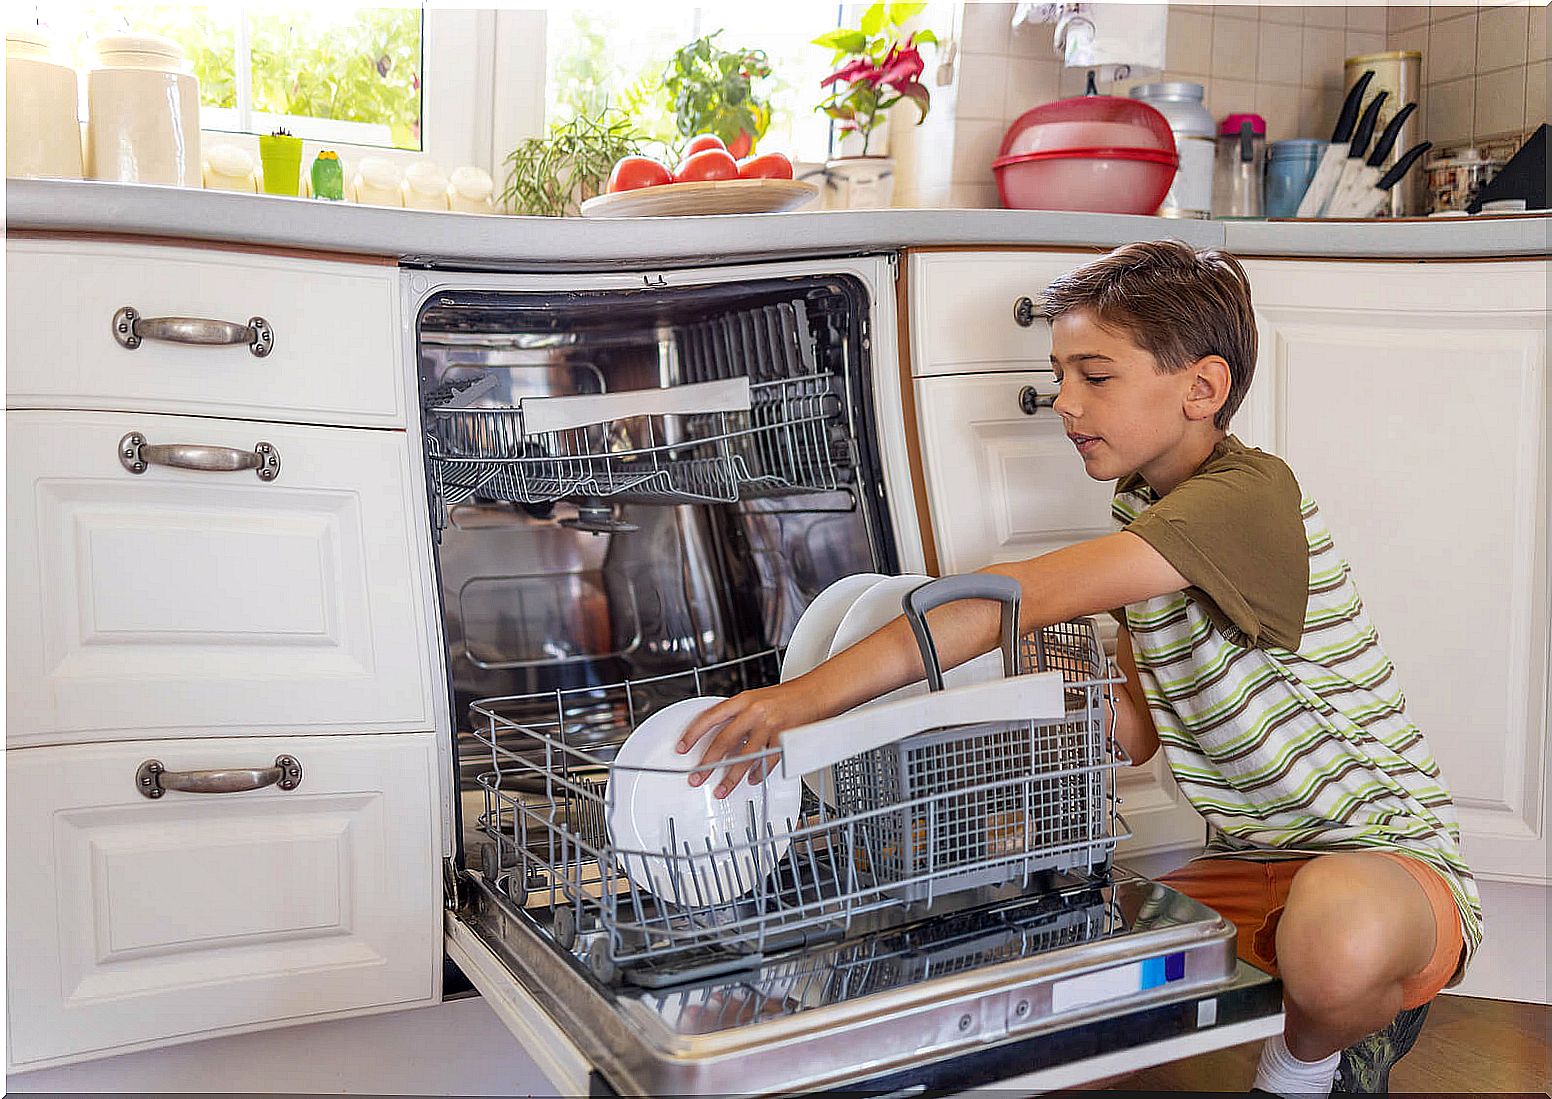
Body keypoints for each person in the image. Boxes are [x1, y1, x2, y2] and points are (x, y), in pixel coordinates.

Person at [676, 240, 1481, 1098]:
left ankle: (1308, 1061)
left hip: (1390, 867)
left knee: (1336, 940)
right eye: (1059, 374)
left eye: (1095, 375)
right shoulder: (1142, 505)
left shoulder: (1250, 497)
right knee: (1066, 940)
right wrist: (1030, 695)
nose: (1064, 402)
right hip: (1253, 859)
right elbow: (1135, 732)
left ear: (1202, 389)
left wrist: (802, 701)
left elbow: (1006, 598)